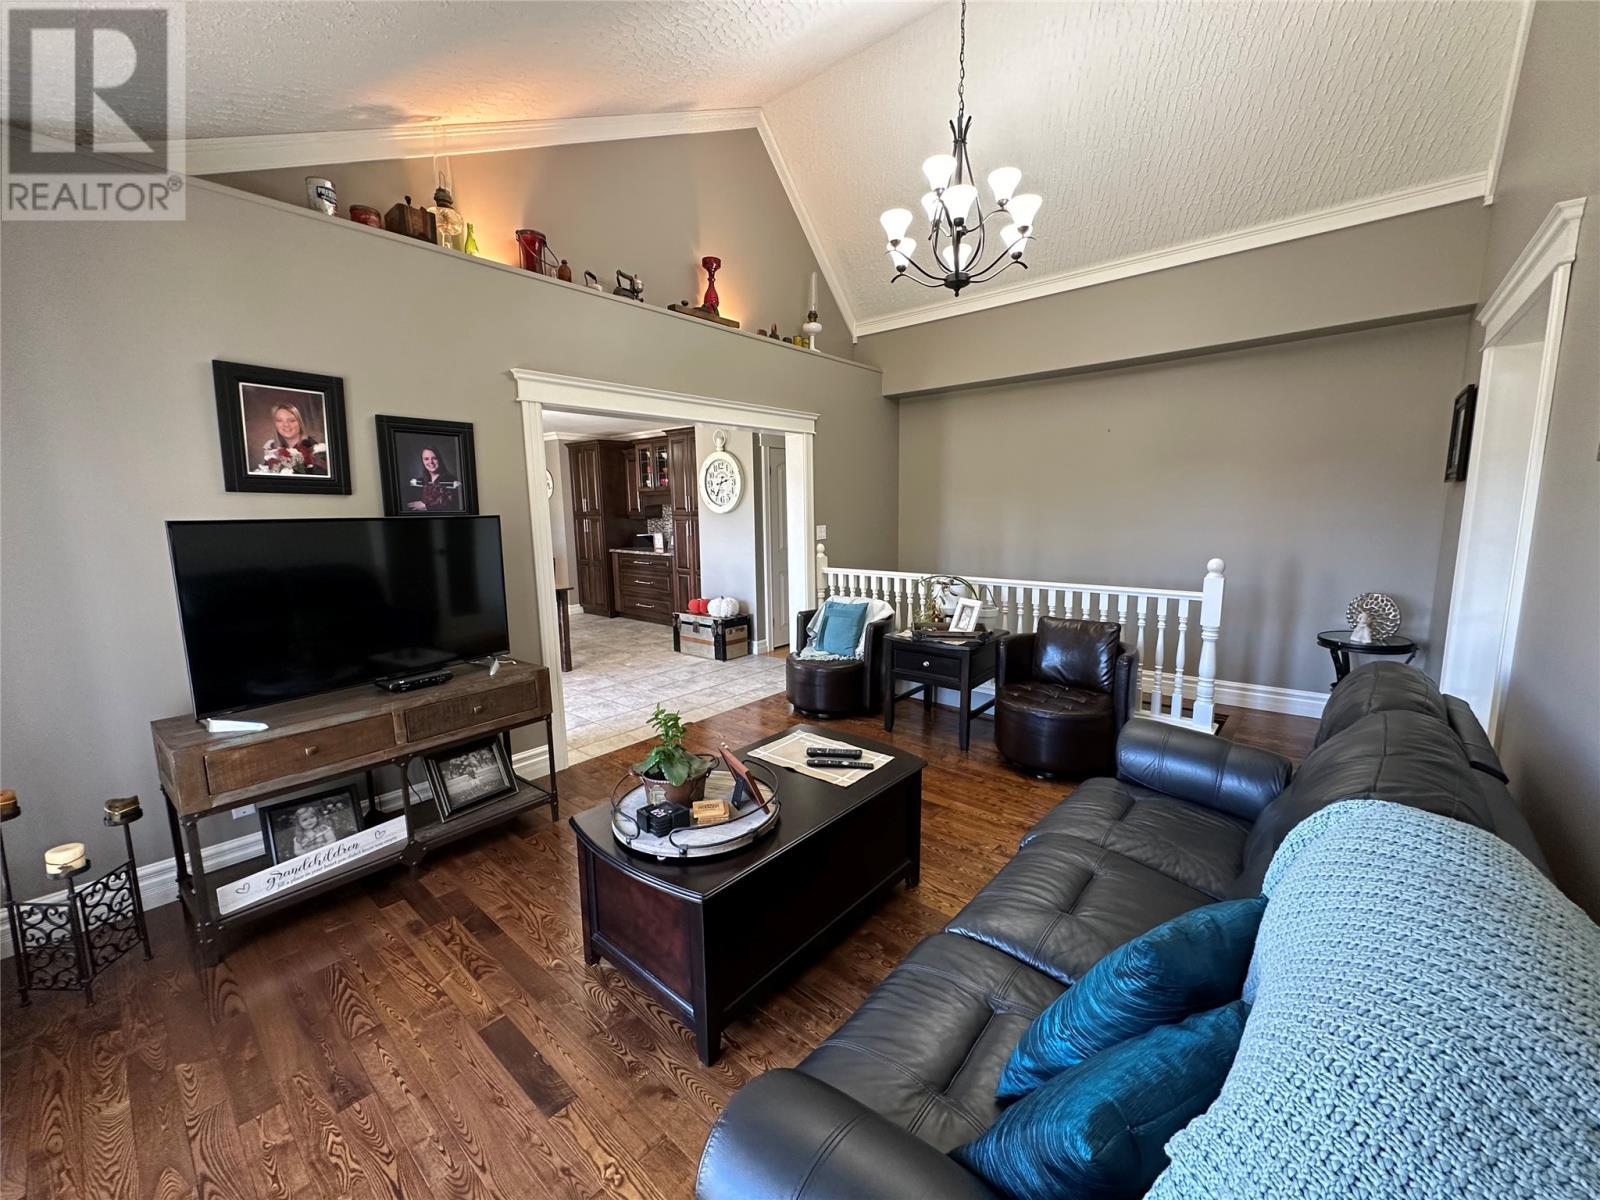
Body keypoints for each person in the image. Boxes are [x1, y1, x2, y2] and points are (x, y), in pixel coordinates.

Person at [256, 401, 328, 475]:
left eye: (291, 420)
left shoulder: (316, 450)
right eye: (279, 420)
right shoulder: (273, 450)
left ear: (300, 422)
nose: (286, 425)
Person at [407, 445, 461, 511]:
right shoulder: (417, 482)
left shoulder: (452, 482)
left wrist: (426, 507)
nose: (431, 462)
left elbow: (455, 508)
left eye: (434, 458)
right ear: (422, 461)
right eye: (426, 459)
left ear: (439, 459)